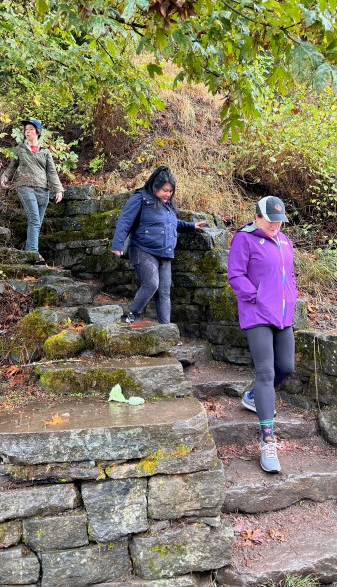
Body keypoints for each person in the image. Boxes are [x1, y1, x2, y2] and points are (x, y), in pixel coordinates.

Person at [227, 195, 298, 474]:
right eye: (270, 220)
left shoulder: (285, 241)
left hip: (282, 316)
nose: (275, 225)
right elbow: (235, 274)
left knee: (286, 367)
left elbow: (288, 275)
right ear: (257, 216)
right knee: (266, 372)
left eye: (279, 221)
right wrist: (254, 296)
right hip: (257, 314)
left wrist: (291, 295)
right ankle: (268, 440)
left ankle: (253, 396)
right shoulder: (244, 239)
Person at [111, 165, 206, 324]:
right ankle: (133, 314)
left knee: (164, 292)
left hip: (165, 253)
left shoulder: (167, 205)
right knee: (151, 284)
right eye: (165, 190)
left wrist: (190, 225)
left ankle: (166, 328)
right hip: (143, 249)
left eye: (171, 191)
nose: (168, 194)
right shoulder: (140, 198)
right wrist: (117, 244)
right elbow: (125, 221)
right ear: (155, 187)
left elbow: (171, 223)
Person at [1, 118, 63, 262]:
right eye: (26, 129)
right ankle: (34, 253)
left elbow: (52, 172)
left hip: (43, 190)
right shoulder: (20, 149)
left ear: (37, 132)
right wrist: (5, 177)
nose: (27, 132)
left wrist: (58, 189)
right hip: (25, 187)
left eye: (30, 129)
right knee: (35, 220)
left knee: (36, 223)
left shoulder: (45, 152)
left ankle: (28, 254)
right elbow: (12, 167)